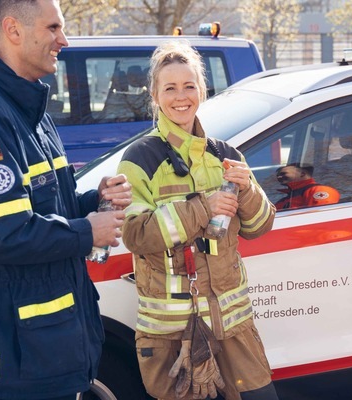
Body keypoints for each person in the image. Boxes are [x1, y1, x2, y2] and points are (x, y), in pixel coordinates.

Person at [0, 0, 131, 398]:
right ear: (14, 30)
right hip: (10, 368)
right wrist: (84, 232)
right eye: (54, 28)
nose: (65, 40)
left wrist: (95, 202)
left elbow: (46, 210)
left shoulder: (30, 111)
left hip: (41, 357)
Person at [117, 41, 279, 400]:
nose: (181, 96)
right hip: (173, 338)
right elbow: (135, 233)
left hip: (233, 328)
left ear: (202, 91)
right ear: (155, 96)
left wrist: (247, 190)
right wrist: (203, 208)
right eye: (170, 88)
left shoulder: (225, 154)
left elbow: (259, 227)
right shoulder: (140, 158)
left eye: (189, 86)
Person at [274, 163, 340, 210]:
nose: (279, 177)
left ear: (302, 174)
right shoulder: (284, 200)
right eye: (278, 175)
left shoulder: (319, 190)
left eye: (283, 174)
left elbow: (322, 215)